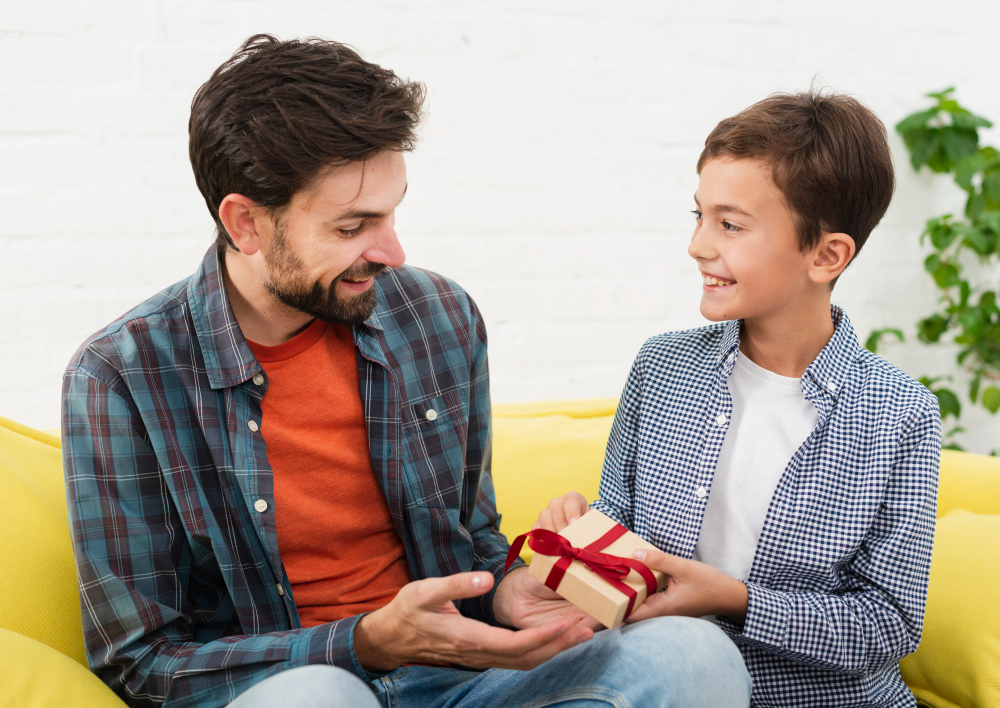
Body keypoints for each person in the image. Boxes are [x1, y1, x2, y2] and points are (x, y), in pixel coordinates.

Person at [61, 34, 751, 708]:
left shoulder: (438, 316)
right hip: (289, 684)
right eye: (350, 227)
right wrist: (363, 643)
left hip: (461, 675)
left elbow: (473, 536)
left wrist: (510, 591)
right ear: (245, 223)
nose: (391, 249)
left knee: (694, 654)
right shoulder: (120, 377)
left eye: (391, 212)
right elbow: (145, 665)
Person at [536, 91, 942, 707]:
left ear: (826, 255)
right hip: (670, 682)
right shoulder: (662, 367)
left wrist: (734, 598)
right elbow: (625, 552)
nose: (699, 245)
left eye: (730, 224)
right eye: (697, 215)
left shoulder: (900, 414)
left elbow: (886, 624)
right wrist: (579, 544)